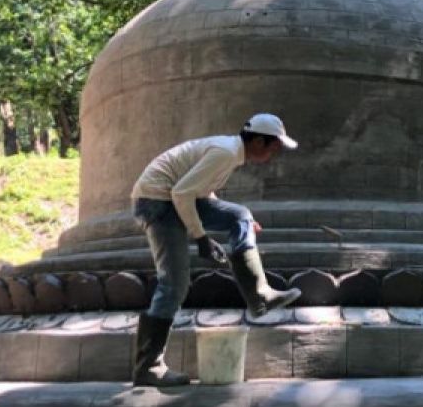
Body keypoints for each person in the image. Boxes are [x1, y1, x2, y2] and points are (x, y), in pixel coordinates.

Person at [130, 113, 303, 386]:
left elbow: (200, 191)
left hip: (171, 197)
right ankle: (148, 367)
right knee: (174, 284)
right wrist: (201, 238)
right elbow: (181, 193)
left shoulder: (231, 153)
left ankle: (259, 295)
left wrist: (237, 222)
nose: (275, 152)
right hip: (157, 202)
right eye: (274, 146)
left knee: (240, 215)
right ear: (258, 141)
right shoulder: (224, 152)